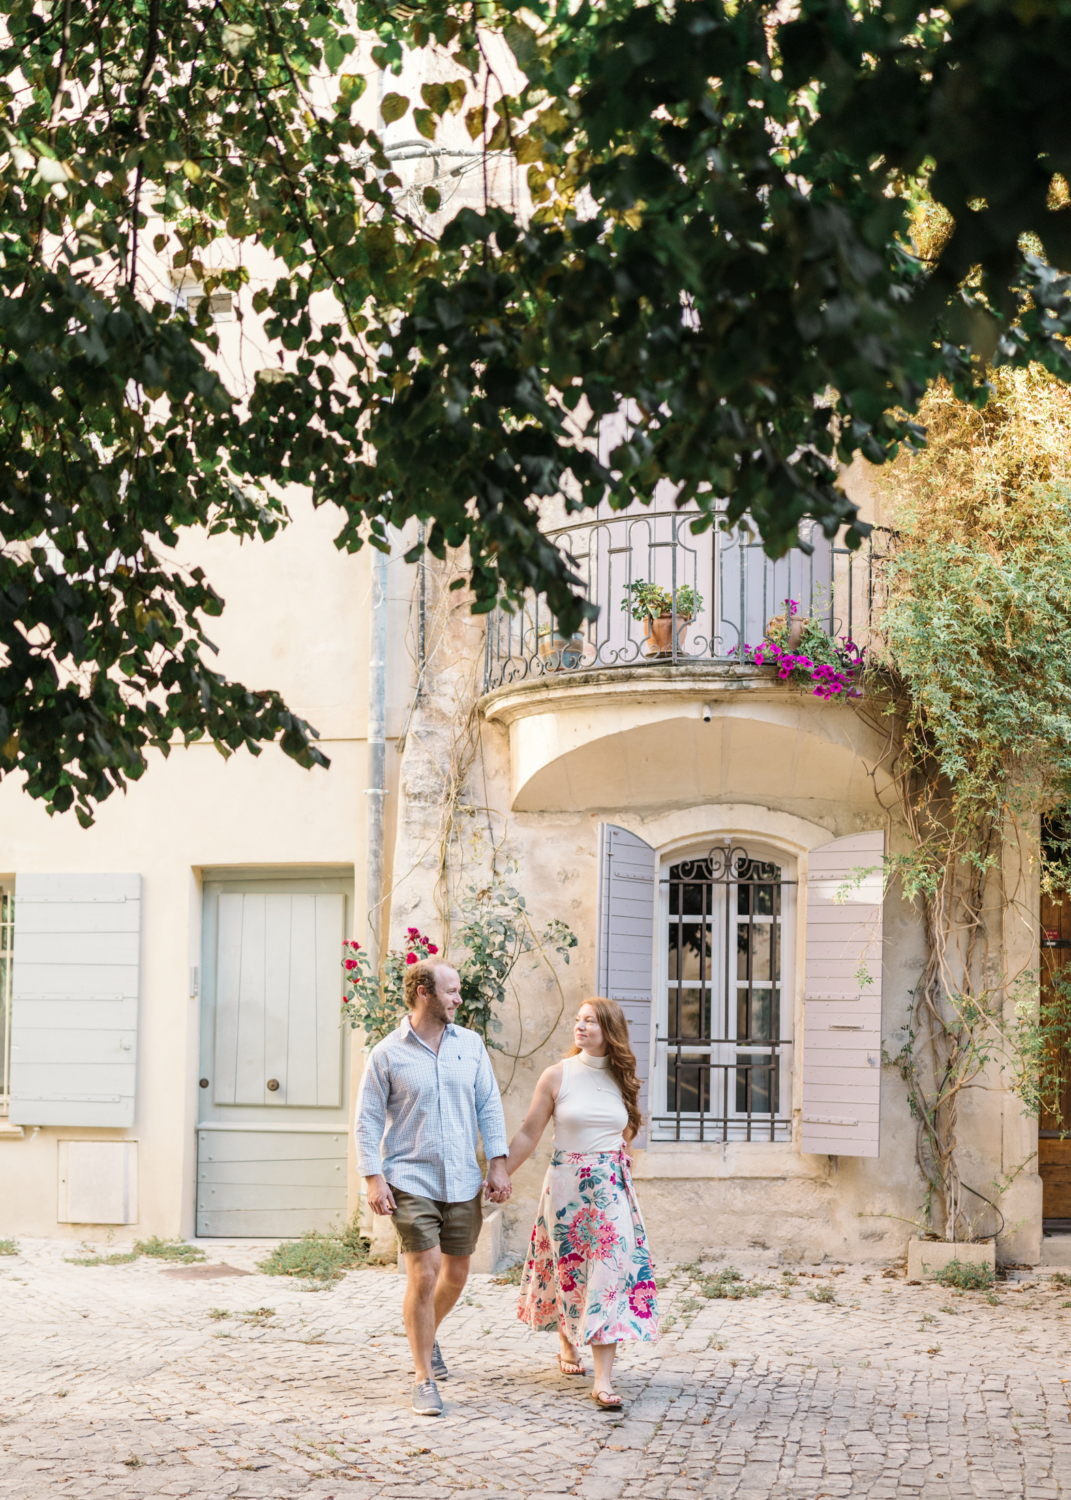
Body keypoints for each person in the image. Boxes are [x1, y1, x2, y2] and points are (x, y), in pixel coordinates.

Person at [355, 956, 512, 1417]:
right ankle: (423, 1377)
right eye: (452, 991)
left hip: (462, 1177)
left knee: (457, 1274)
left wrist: (498, 1166)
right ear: (424, 992)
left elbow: (490, 1107)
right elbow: (365, 1121)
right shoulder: (387, 1053)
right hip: (410, 1178)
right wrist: (372, 1178)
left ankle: (427, 1333)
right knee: (423, 1273)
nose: (459, 998)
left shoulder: (472, 1046)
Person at [506, 997, 659, 1410]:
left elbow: (625, 1132)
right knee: (568, 1270)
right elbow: (527, 1134)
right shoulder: (557, 1076)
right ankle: (567, 1344)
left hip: (610, 1188)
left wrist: (613, 1172)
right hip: (566, 1187)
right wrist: (500, 1172)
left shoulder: (622, 1078)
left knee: (608, 1274)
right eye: (578, 1020)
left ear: (609, 1029)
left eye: (590, 1021)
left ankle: (604, 1380)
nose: (580, 1026)